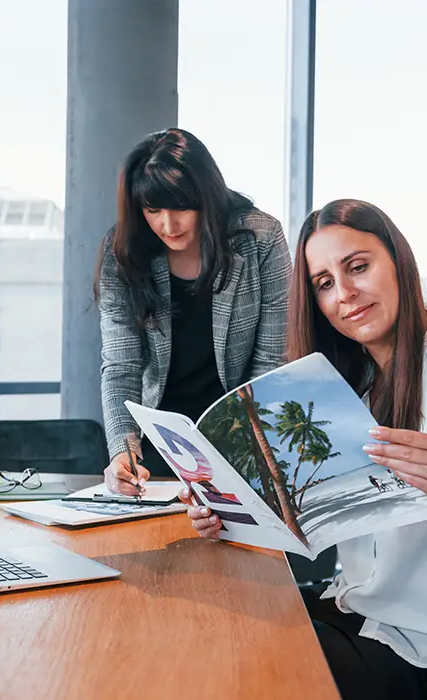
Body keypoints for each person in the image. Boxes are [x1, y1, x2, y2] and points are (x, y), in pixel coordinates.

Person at [181, 198, 427, 699]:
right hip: (362, 612)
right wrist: (228, 513)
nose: (345, 294)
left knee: (254, 667)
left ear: (398, 261)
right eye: (324, 283)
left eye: (358, 267)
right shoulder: (350, 391)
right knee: (216, 622)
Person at [96, 128, 292, 495]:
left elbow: (270, 363)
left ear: (207, 196)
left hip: (243, 437)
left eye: (181, 208)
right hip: (159, 446)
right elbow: (121, 366)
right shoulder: (123, 250)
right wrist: (123, 452)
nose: (167, 226)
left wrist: (246, 455)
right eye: (153, 210)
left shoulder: (260, 239)